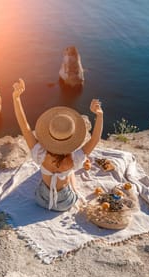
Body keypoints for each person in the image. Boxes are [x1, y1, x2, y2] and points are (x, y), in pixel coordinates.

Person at [12, 78, 103, 211]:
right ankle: (74, 190)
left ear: (49, 135)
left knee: (57, 174)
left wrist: (16, 98)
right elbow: (95, 139)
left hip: (41, 200)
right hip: (65, 203)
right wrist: (99, 115)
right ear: (71, 139)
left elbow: (24, 126)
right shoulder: (74, 159)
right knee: (70, 172)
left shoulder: (39, 153)